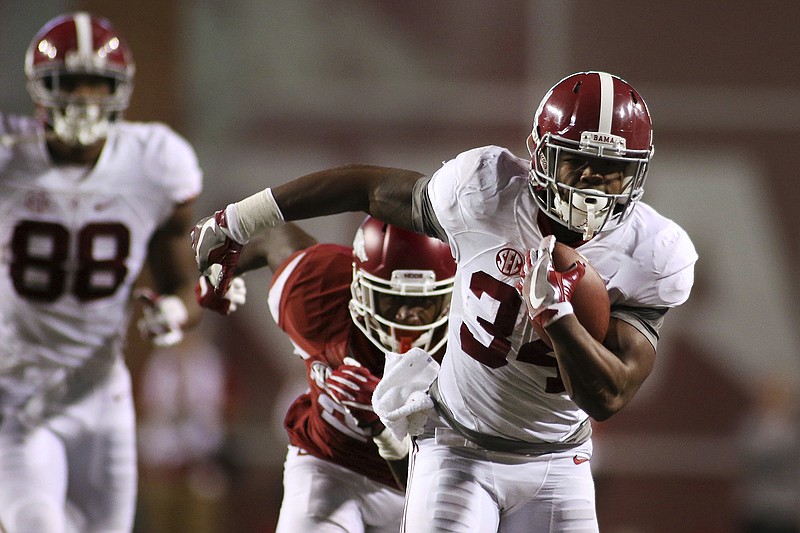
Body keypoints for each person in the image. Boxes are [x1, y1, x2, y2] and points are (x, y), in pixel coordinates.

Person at [192, 71, 698, 532]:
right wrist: (240, 218)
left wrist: (556, 318)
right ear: (540, 154)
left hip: (559, 464)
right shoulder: (488, 192)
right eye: (577, 163)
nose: (589, 187)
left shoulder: (651, 254)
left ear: (636, 174)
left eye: (609, 171)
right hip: (459, 448)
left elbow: (606, 397)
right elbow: (367, 189)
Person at [0, 12, 239, 533]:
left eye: (97, 84)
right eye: (69, 83)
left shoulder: (153, 161)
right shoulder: (8, 156)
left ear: (120, 90)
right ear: (42, 90)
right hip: (17, 396)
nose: (84, 99)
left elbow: (183, 285)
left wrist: (175, 311)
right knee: (34, 524)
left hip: (102, 397)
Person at [199, 216, 455, 532]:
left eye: (424, 304)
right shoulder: (318, 291)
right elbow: (272, 234)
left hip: (419, 481)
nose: (407, 323)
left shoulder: (469, 346)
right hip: (330, 464)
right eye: (392, 301)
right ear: (359, 288)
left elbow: (433, 478)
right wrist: (214, 275)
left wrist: (383, 432)